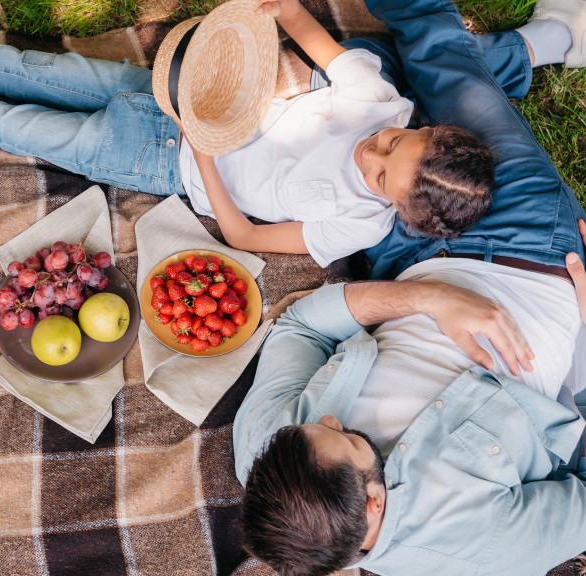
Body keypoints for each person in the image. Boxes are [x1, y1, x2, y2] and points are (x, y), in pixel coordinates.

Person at [233, 0, 586, 573]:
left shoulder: (272, 455)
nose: (325, 416)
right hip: (534, 255)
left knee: (370, 80)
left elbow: (301, 325)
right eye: (344, 436)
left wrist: (429, 298)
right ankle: (539, 44)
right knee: (439, 64)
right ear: (375, 503)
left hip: (406, 259)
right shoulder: (478, 543)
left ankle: (521, 50)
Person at [0, 0, 494, 267]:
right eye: (400, 142)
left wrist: (201, 151)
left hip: (161, 156)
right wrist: (256, 29)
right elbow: (296, 20)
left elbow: (244, 237)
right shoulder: (383, 103)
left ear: (394, 209)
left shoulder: (356, 226)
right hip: (174, 90)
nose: (376, 149)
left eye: (382, 169)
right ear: (423, 129)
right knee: (1, 64)